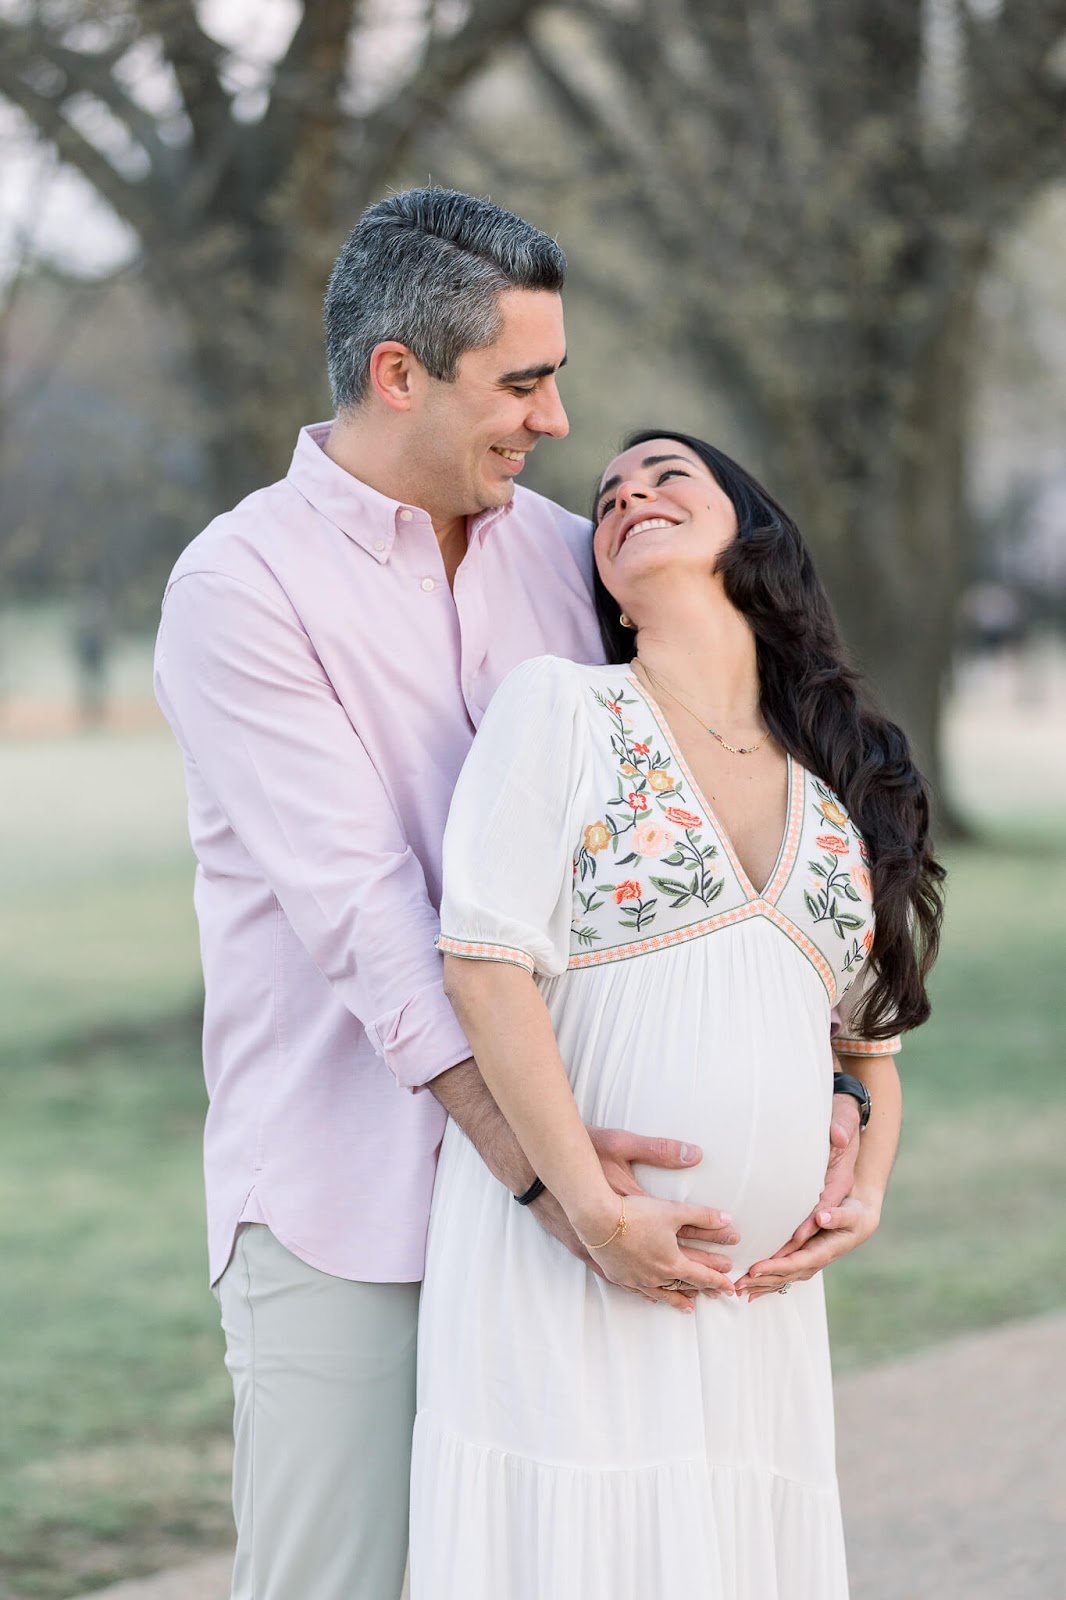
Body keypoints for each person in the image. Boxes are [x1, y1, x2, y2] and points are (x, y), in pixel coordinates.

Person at [154, 186, 863, 1600]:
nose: (553, 422)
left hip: (576, 1237)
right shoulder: (241, 586)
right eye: (523, 382)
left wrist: (832, 1097)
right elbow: (370, 926)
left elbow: (716, 799)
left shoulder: (571, 557)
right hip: (357, 1205)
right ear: (396, 373)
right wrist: (550, 1179)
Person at [411, 430, 945, 1598]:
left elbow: (866, 1045)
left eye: (666, 478)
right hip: (567, 1266)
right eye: (606, 498)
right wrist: (595, 1213)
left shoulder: (839, 785)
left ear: (750, 529)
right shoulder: (560, 709)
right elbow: (482, 969)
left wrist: (864, 1188)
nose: (628, 497)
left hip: (750, 1313)